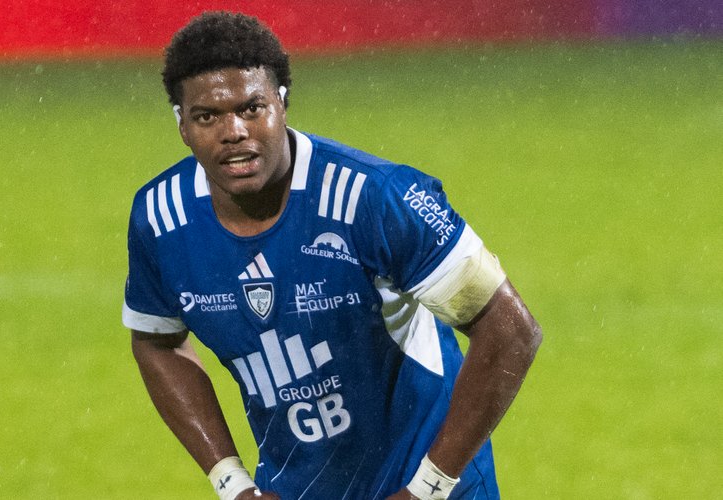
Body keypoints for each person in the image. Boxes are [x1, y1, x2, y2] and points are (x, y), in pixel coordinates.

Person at [123, 11, 542, 500]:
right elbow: (157, 341)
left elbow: (510, 330)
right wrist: (232, 483)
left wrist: (428, 487)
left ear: (283, 104)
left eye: (252, 107)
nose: (233, 131)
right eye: (207, 116)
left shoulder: (375, 197)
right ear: (181, 125)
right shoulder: (161, 218)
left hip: (430, 486)